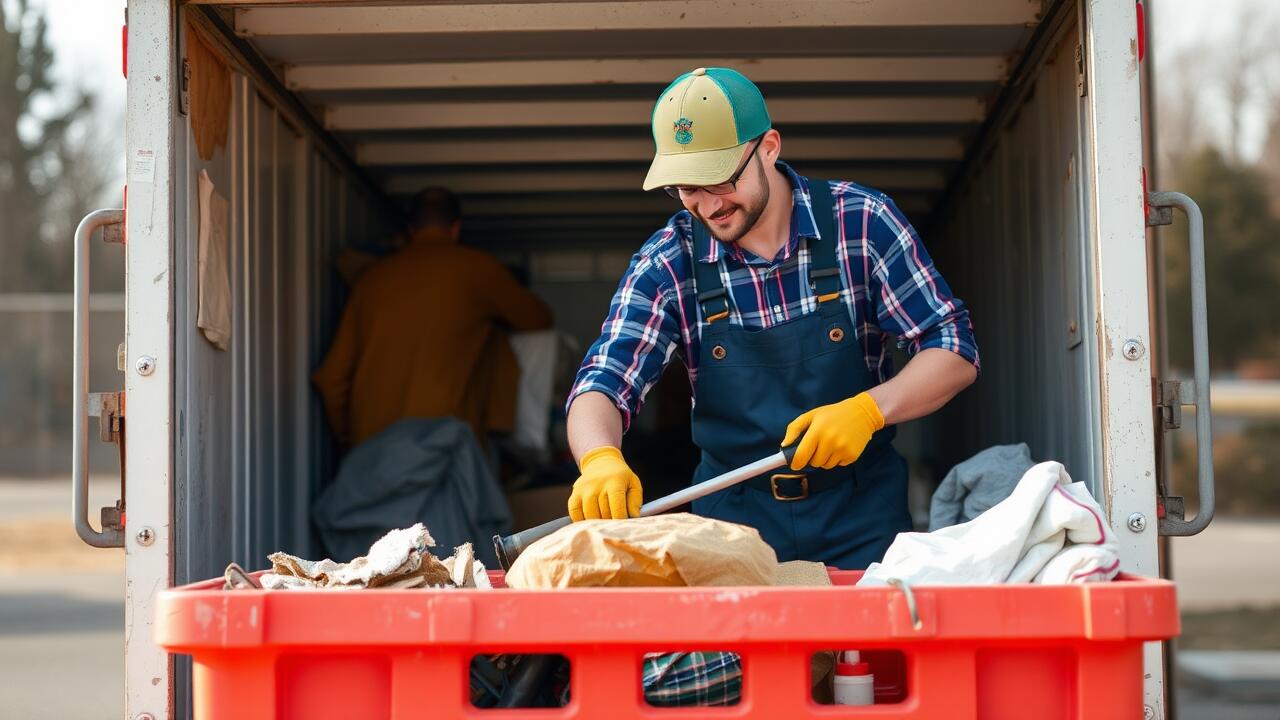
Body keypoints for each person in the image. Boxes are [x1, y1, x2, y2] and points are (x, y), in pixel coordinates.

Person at [564, 68, 979, 569]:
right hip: (730, 523)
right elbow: (604, 381)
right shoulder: (668, 262)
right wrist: (599, 458)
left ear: (768, 147)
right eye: (686, 189)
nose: (708, 205)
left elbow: (953, 347)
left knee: (869, 649)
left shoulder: (862, 222)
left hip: (862, 513)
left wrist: (869, 409)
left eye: (720, 179)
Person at [313, 187, 553, 452]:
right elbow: (539, 319)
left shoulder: (371, 280)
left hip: (372, 452)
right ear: (456, 228)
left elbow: (331, 378)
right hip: (444, 450)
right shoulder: (478, 270)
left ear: (411, 229)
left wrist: (351, 441)